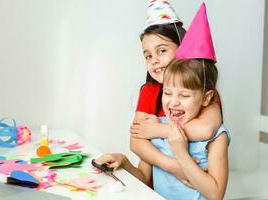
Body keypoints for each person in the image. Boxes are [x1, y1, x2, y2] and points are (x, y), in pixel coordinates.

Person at [95, 58, 229, 199]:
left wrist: (181, 154)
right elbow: (143, 178)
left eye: (184, 95)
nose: (174, 102)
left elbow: (216, 195)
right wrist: (124, 162)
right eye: (167, 93)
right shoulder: (156, 127)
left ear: (206, 98)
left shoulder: (217, 136)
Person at [130, 0, 222, 183]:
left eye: (162, 51)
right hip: (156, 184)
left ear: (183, 49)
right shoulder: (149, 91)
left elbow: (205, 129)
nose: (154, 60)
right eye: (148, 55)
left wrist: (157, 129)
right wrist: (174, 167)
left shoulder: (202, 92)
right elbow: (136, 142)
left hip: (193, 186)